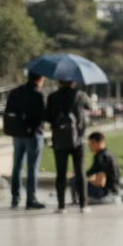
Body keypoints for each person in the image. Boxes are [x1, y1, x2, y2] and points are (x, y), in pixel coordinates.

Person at [4, 73, 47, 209]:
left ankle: (15, 197)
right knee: (32, 168)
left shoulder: (16, 92)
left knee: (17, 166)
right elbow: (42, 116)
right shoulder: (39, 95)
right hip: (34, 135)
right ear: (39, 79)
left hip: (18, 133)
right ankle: (31, 198)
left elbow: (8, 111)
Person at [46, 80, 88, 212]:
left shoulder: (52, 97)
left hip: (59, 139)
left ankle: (61, 205)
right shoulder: (80, 96)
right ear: (73, 82)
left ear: (59, 82)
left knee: (61, 173)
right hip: (78, 139)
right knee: (80, 172)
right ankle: (83, 204)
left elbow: (47, 116)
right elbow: (88, 110)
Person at [75, 132, 121, 205]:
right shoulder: (107, 154)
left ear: (95, 143)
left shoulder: (101, 157)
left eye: (90, 145)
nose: (89, 148)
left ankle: (79, 201)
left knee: (76, 181)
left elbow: (100, 182)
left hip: (107, 194)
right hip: (114, 191)